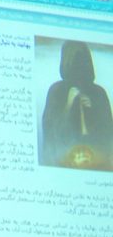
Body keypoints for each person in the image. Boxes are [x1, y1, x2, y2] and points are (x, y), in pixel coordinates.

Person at [40, 40, 113, 170]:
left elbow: (108, 130)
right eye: (74, 60)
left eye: (82, 60)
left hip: (97, 162)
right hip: (64, 162)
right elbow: (50, 131)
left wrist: (94, 109)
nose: (78, 67)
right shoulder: (57, 90)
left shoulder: (98, 92)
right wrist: (68, 104)